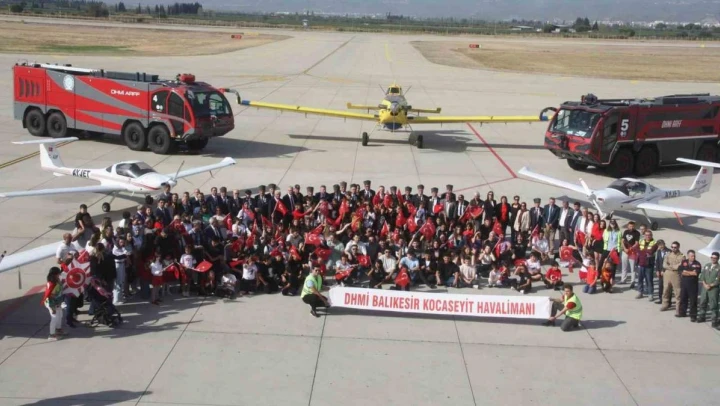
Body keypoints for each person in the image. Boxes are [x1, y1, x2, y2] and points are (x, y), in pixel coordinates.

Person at [42, 267, 67, 340]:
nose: (59, 275)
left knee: (60, 315)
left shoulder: (57, 280)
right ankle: (51, 335)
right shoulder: (51, 284)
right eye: (58, 274)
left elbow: (59, 292)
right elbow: (49, 297)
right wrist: (52, 308)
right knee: (54, 317)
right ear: (54, 275)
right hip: (51, 303)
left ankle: (58, 330)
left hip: (57, 302)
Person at [677, 249, 702, 322]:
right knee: (683, 298)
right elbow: (680, 271)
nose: (693, 257)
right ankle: (682, 313)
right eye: (691, 256)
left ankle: (693, 316)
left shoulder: (697, 264)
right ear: (688, 256)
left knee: (693, 301)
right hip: (684, 284)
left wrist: (686, 272)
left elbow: (695, 273)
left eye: (694, 256)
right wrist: (690, 272)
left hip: (693, 285)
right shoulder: (684, 262)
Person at [661, 241, 685, 313]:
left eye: (675, 247)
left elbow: (679, 266)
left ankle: (678, 308)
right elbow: (664, 264)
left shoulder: (682, 256)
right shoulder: (668, 254)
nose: (673, 248)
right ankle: (665, 304)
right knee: (666, 290)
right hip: (667, 274)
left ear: (678, 247)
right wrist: (671, 267)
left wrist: (671, 267)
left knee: (677, 292)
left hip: (676, 275)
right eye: (672, 247)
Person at [697, 252, 720, 327]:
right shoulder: (707, 265)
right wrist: (704, 284)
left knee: (713, 305)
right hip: (705, 288)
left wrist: (710, 285)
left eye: (715, 258)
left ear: (718, 259)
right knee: (702, 302)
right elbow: (702, 276)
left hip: (713, 289)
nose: (713, 259)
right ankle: (702, 316)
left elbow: (718, 280)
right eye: (712, 257)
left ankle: (714, 320)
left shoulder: (719, 268)